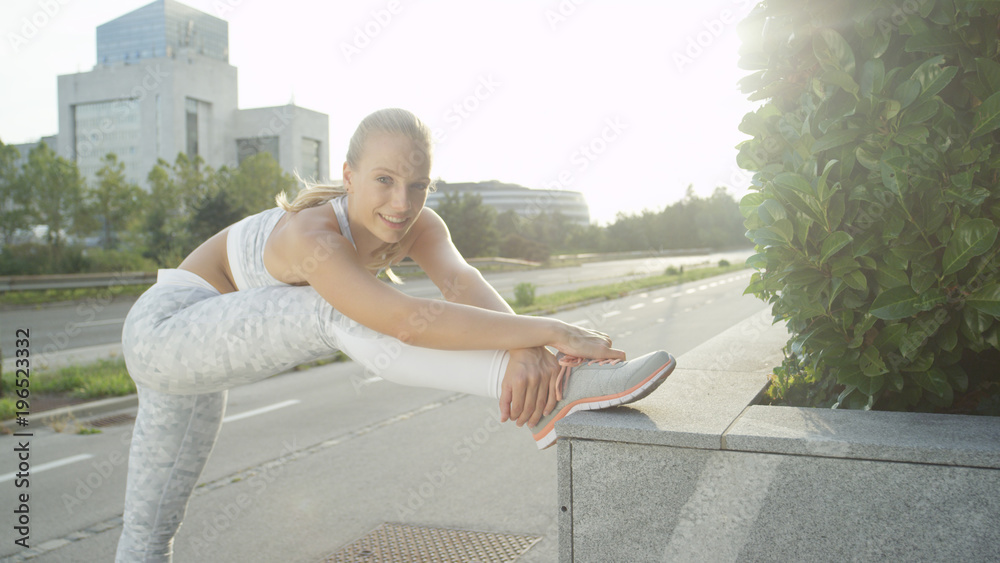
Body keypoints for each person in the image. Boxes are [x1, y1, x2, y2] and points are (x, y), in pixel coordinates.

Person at [114, 108, 675, 562]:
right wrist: (555, 334)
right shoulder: (314, 236)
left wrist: (532, 350)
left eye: (418, 184)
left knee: (149, 533)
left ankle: (555, 390)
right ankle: (561, 395)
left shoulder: (419, 225)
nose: (402, 203)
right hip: (167, 329)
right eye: (384, 180)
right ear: (350, 175)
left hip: (202, 355)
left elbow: (462, 284)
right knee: (331, 309)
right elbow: (403, 319)